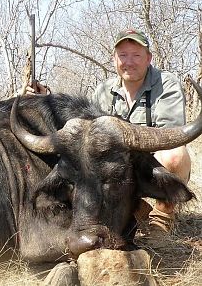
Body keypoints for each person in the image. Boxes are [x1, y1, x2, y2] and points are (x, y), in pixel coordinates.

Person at [25, 29, 191, 240]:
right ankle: (131, 208)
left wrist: (126, 146)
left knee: (174, 155)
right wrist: (45, 100)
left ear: (149, 58)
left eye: (136, 55)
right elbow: (85, 132)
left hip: (147, 164)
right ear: (114, 59)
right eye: (122, 55)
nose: (128, 62)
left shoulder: (166, 84)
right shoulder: (104, 90)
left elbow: (170, 135)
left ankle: (162, 217)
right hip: (115, 173)